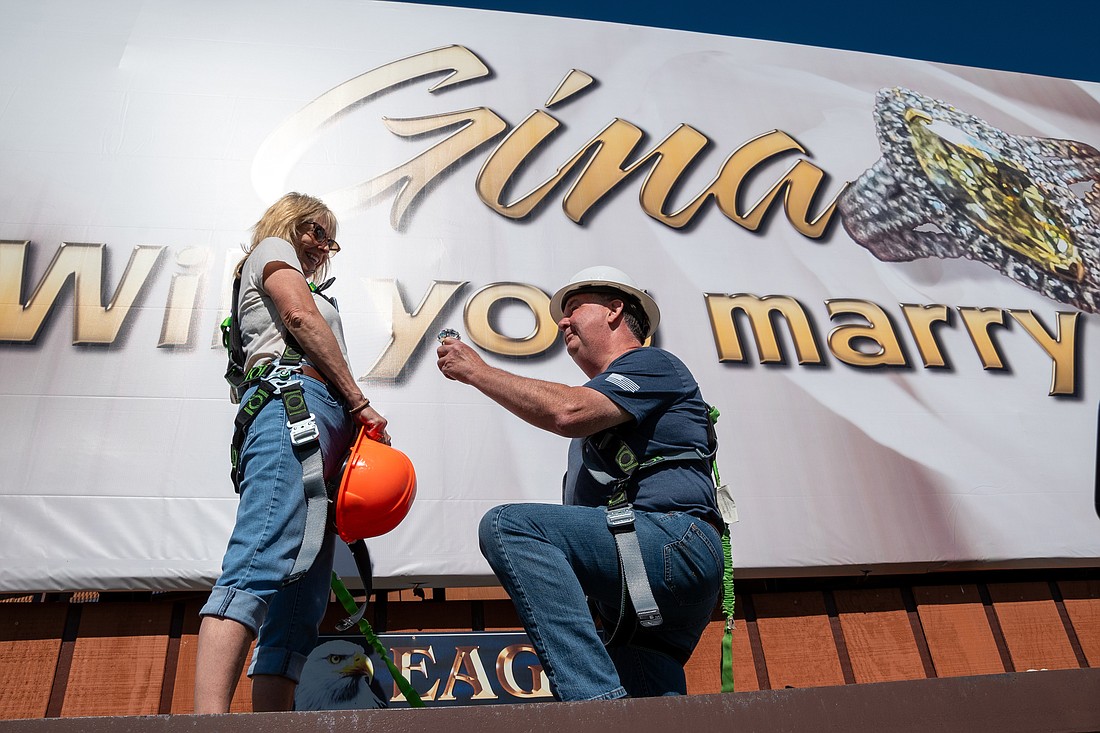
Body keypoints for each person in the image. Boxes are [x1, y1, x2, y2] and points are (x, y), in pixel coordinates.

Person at [436, 266, 723, 701]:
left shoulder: (652, 364)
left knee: (510, 527)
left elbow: (567, 412)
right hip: (642, 600)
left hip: (674, 545)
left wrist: (478, 371)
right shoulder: (590, 444)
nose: (562, 322)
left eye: (572, 309)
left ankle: (595, 708)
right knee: (648, 703)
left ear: (614, 310)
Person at [195, 193, 390, 713]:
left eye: (331, 239)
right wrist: (360, 402)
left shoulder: (295, 270)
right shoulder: (271, 251)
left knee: (302, 597)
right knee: (259, 557)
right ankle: (208, 723)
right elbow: (300, 318)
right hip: (293, 407)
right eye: (317, 232)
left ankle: (272, 724)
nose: (325, 246)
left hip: (321, 421)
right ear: (289, 224)